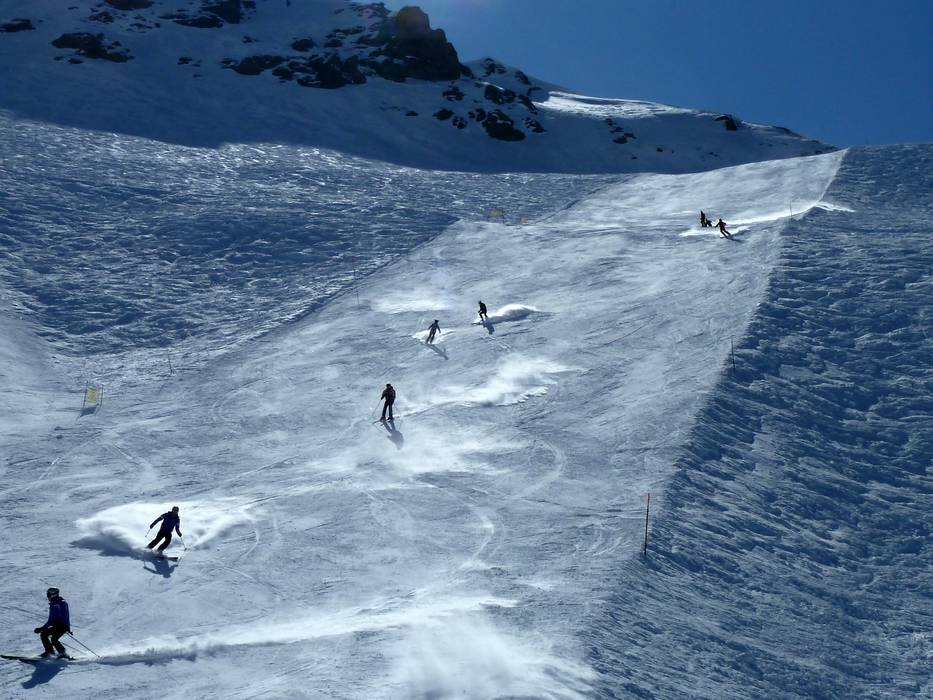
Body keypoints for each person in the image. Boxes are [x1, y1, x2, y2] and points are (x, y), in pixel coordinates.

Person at [34, 587, 70, 659]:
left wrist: (59, 621)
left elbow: (63, 614)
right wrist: (43, 628)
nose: (47, 596)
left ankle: (62, 653)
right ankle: (50, 652)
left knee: (53, 639)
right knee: (44, 634)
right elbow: (51, 620)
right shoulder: (54, 603)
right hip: (59, 625)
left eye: (48, 595)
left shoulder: (60, 603)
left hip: (62, 626)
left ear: (52, 595)